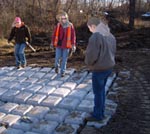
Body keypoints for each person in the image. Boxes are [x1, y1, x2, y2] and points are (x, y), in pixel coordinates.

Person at [85, 17, 116, 121]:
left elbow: (91, 55)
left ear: (93, 26)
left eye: (89, 28)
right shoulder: (110, 35)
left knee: (98, 92)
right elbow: (113, 51)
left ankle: (98, 115)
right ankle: (100, 111)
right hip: (109, 67)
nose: (89, 30)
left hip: (99, 69)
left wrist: (89, 63)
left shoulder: (96, 36)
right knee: (101, 91)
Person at [51, 11, 76, 77]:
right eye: (62, 18)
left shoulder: (70, 25)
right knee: (57, 58)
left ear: (67, 18)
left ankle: (62, 72)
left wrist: (73, 45)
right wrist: (52, 42)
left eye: (64, 18)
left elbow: (73, 36)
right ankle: (56, 66)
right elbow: (54, 34)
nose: (63, 20)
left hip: (66, 46)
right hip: (59, 45)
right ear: (60, 19)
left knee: (64, 59)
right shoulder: (58, 25)